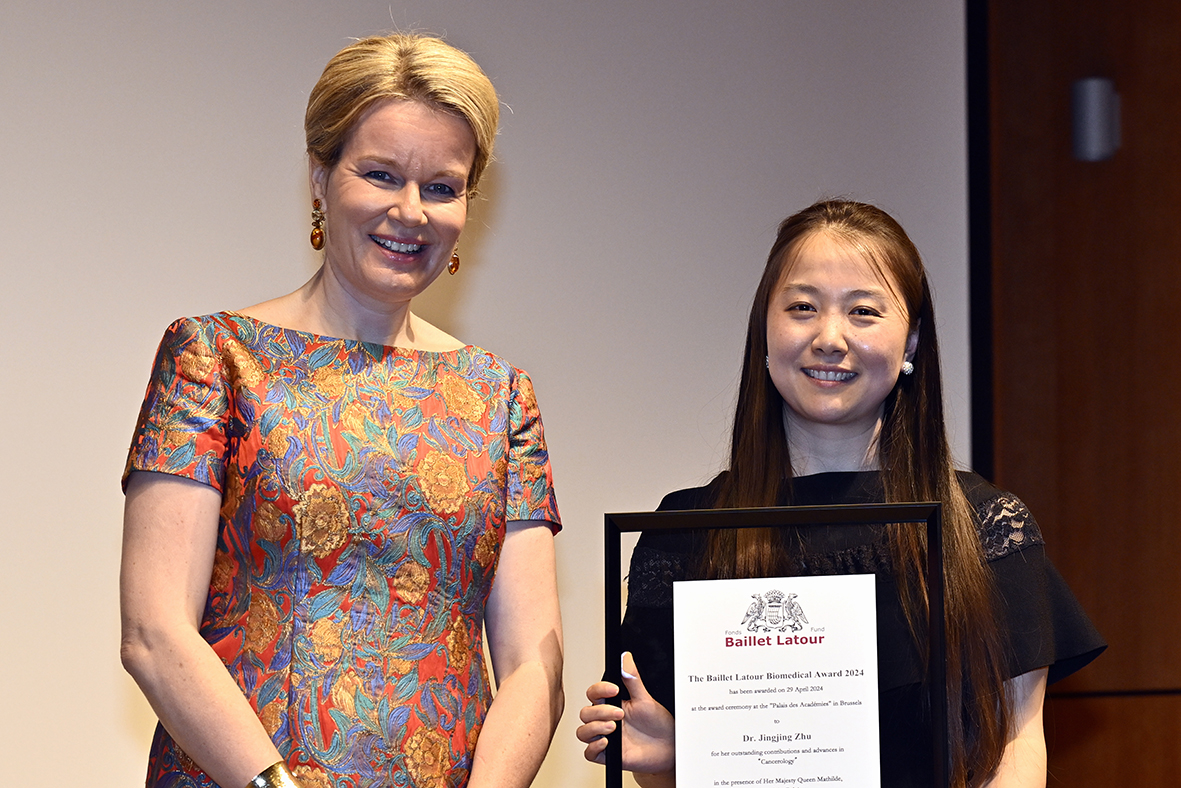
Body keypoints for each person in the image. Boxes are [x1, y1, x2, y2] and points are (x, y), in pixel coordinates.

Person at [119, 34, 563, 788]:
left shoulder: (500, 394)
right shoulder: (215, 356)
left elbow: (532, 661)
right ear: (320, 180)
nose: (410, 211)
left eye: (442, 187)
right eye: (381, 174)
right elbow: (153, 634)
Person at [576, 200, 1104, 788]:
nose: (830, 338)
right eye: (803, 307)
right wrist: (673, 757)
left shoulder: (982, 527)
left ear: (910, 344)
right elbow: (673, 774)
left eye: (864, 311)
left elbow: (1016, 745)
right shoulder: (686, 531)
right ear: (764, 331)